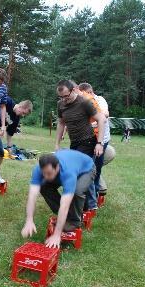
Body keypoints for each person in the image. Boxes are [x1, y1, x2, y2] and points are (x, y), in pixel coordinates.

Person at [21, 150, 96, 248]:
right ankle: (67, 216)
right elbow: (32, 196)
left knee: (77, 192)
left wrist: (57, 235)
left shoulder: (68, 173)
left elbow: (64, 205)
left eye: (49, 173)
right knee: (43, 186)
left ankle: (74, 221)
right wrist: (29, 220)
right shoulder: (38, 170)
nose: (46, 176)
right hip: (71, 166)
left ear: (57, 167)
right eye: (44, 173)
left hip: (87, 169)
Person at [55, 79, 106, 210]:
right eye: (60, 97)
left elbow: (101, 119)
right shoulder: (61, 104)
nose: (63, 99)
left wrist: (99, 143)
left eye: (66, 96)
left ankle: (89, 205)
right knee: (81, 172)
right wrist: (57, 144)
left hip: (88, 141)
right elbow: (61, 123)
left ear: (73, 90)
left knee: (81, 172)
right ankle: (88, 204)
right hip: (75, 143)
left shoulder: (84, 102)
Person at [79, 83, 111, 193]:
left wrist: (94, 121)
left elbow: (105, 114)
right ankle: (90, 193)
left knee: (95, 168)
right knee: (88, 167)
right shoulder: (83, 102)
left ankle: (96, 194)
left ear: (88, 93)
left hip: (101, 139)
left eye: (81, 94)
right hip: (88, 139)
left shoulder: (100, 100)